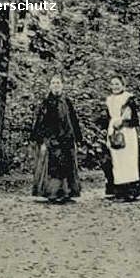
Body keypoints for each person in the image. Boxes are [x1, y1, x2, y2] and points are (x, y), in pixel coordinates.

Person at [30, 74, 83, 204]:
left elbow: (73, 120)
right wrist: (41, 140)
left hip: (67, 139)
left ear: (62, 85)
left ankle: (67, 193)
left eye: (58, 83)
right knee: (54, 166)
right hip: (53, 140)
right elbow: (41, 122)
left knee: (68, 165)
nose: (56, 85)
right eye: (53, 83)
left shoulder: (67, 101)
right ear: (50, 86)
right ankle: (53, 193)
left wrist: (77, 137)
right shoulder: (46, 103)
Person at [102, 75, 140, 202]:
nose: (115, 87)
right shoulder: (109, 100)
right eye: (113, 84)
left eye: (117, 84)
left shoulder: (128, 98)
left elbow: (131, 116)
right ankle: (118, 190)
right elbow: (109, 117)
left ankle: (131, 191)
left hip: (126, 131)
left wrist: (121, 123)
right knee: (116, 161)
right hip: (113, 131)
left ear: (123, 85)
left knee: (128, 160)